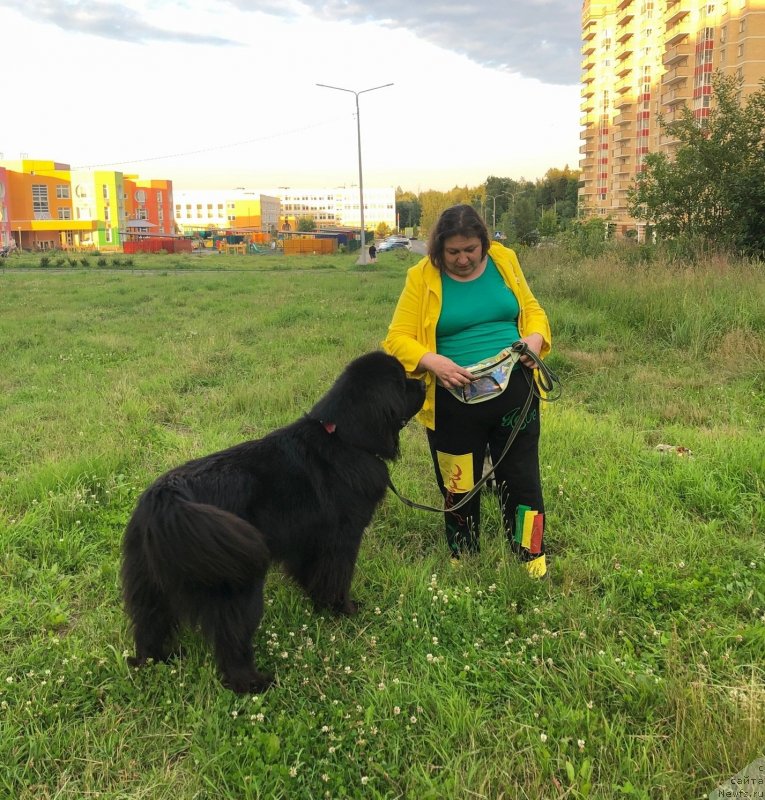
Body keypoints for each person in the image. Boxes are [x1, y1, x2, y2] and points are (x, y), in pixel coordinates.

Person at [382, 204, 551, 577]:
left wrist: (536, 337)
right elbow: (397, 339)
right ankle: (464, 557)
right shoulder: (421, 277)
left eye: (470, 250)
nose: (462, 259)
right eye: (453, 252)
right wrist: (432, 361)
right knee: (458, 485)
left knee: (523, 481)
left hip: (516, 393)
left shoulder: (505, 261)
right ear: (438, 249)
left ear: (484, 244)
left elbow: (531, 309)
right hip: (452, 400)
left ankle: (532, 559)